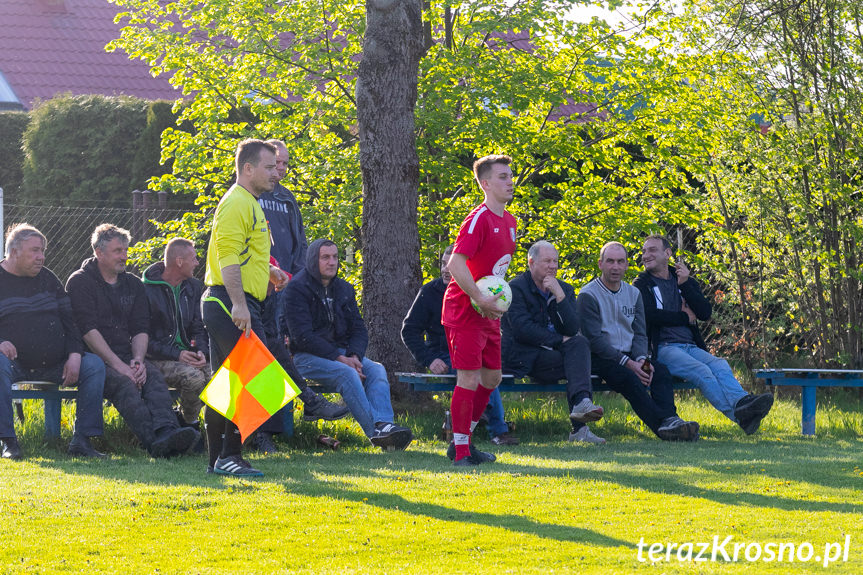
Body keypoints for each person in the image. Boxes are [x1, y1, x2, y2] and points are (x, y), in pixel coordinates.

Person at [67, 224, 199, 457]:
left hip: (128, 354)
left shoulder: (133, 284)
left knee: (154, 378)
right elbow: (88, 331)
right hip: (94, 359)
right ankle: (154, 442)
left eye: (125, 250)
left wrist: (137, 360)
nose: (124, 256)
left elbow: (141, 328)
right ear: (99, 252)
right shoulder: (80, 282)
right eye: (118, 251)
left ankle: (169, 432)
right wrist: (120, 367)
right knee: (124, 384)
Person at [252, 139, 348, 453]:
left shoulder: (287, 199)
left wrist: (294, 282)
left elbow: (300, 244)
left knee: (278, 352)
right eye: (275, 164)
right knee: (260, 359)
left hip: (283, 288)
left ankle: (277, 427)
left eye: (284, 165)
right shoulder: (246, 198)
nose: (280, 170)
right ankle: (254, 432)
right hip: (252, 289)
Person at [201, 138, 290, 477]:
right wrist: (239, 304)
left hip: (228, 300)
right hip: (226, 300)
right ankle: (229, 456)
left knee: (226, 382)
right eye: (269, 167)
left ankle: (218, 460)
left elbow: (242, 254)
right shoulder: (237, 202)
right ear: (248, 168)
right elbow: (227, 260)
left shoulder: (250, 202)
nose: (276, 173)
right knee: (254, 376)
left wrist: (269, 269)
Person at [634, 235, 773, 434]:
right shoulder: (641, 283)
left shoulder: (681, 278)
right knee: (702, 371)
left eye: (652, 250)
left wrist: (685, 284)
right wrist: (683, 317)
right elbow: (649, 316)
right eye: (644, 251)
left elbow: (704, 313)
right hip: (663, 348)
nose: (646, 255)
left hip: (690, 346)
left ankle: (743, 403)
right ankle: (740, 415)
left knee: (720, 364)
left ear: (668, 253)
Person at [284, 239, 413, 451]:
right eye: (325, 257)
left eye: (335, 257)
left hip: (342, 354)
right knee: (347, 374)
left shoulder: (343, 289)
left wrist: (354, 356)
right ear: (313, 259)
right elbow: (302, 336)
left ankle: (384, 424)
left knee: (376, 369)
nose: (332, 262)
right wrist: (341, 358)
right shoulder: (297, 289)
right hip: (304, 358)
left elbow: (358, 329)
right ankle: (377, 433)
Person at [0, 224, 106, 459]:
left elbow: (70, 322)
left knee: (94, 366)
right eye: (35, 251)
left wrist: (75, 354)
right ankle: (8, 441)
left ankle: (82, 441)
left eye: (43, 251)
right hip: (13, 364)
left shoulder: (48, 278)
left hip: (56, 363)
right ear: (14, 252)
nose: (42, 257)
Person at [577, 241, 699, 441]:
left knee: (660, 371)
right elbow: (594, 340)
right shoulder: (588, 294)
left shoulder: (633, 293)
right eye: (610, 261)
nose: (615, 267)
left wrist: (642, 360)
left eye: (620, 262)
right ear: (600, 264)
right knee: (629, 378)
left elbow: (640, 333)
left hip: (631, 355)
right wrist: (629, 364)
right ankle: (664, 427)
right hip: (599, 357)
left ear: (626, 265)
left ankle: (671, 420)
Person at [441, 154, 517, 466]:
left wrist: (496, 299)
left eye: (510, 175)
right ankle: (461, 453)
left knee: (492, 378)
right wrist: (479, 298)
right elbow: (455, 263)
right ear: (485, 184)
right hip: (464, 309)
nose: (509, 181)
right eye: (502, 176)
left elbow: (493, 272)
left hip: (488, 312)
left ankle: (464, 442)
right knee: (468, 379)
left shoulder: (510, 221)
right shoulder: (477, 219)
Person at [401, 245, 518, 446]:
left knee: (491, 375)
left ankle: (474, 424)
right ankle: (496, 431)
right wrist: (429, 359)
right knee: (479, 374)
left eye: (451, 264)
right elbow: (409, 330)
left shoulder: (480, 290)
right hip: (444, 352)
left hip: (473, 347)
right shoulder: (429, 292)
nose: (447, 269)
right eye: (443, 264)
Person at [502, 240, 604, 444]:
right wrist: (559, 340)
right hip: (524, 358)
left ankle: (582, 406)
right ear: (531, 262)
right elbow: (523, 330)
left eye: (556, 261)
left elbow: (572, 328)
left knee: (580, 343)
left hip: (554, 356)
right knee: (575, 356)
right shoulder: (516, 288)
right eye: (547, 261)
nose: (553, 266)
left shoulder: (563, 288)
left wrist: (559, 296)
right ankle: (579, 428)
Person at [142, 237, 210, 432]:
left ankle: (219, 431)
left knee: (216, 376)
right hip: (156, 359)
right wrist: (177, 354)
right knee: (194, 378)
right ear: (179, 261)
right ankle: (190, 425)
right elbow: (142, 338)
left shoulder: (193, 287)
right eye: (194, 258)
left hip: (188, 356)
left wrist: (201, 352)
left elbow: (199, 326)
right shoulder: (145, 290)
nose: (197, 263)